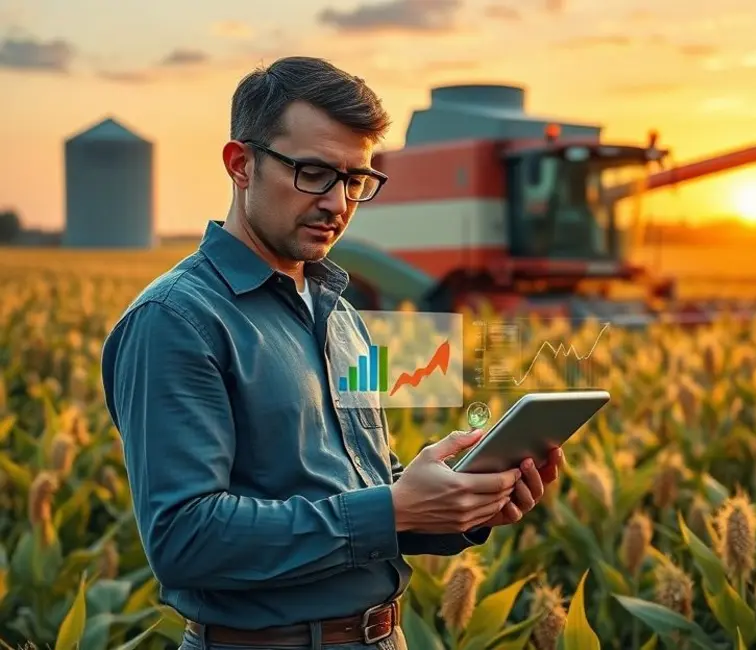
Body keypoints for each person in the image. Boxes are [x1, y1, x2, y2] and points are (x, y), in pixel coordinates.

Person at [100, 56, 564, 650]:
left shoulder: (339, 314)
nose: (338, 203)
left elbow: (352, 489)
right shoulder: (177, 320)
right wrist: (394, 508)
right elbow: (185, 541)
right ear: (241, 165)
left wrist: (461, 505)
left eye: (356, 180)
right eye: (314, 172)